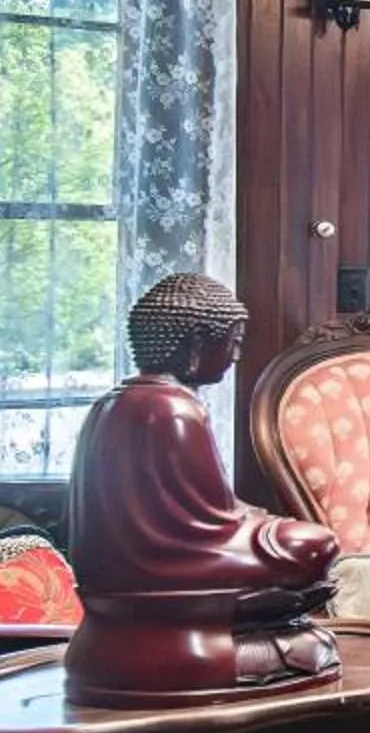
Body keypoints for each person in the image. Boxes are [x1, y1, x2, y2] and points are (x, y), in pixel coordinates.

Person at [62, 274, 342, 706]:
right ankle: (262, 645)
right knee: (312, 545)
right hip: (180, 573)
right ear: (195, 344)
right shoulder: (175, 409)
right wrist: (264, 526)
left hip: (114, 585)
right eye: (231, 342)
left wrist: (254, 519)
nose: (235, 355)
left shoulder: (108, 405)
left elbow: (213, 508)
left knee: (286, 532)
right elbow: (214, 523)